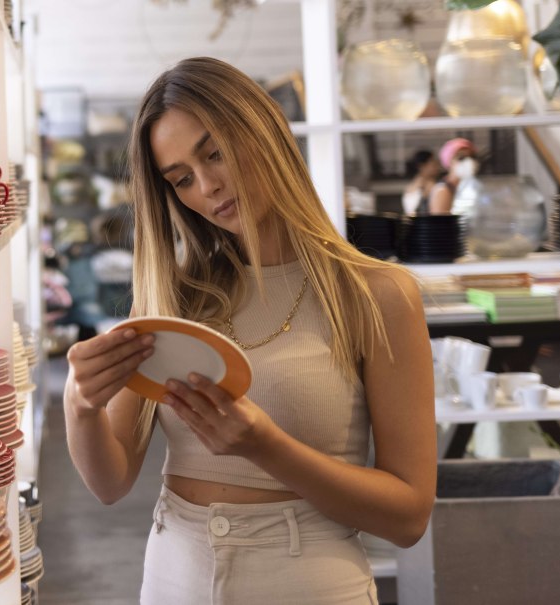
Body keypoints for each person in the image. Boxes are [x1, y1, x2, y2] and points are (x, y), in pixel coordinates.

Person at [61, 57, 436, 604]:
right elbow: (111, 481)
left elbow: (408, 516)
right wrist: (80, 404)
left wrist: (267, 448)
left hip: (308, 580)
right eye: (182, 178)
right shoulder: (174, 301)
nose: (208, 186)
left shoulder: (374, 293)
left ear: (263, 130)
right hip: (173, 575)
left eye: (215, 153)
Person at [428, 137, 477, 215]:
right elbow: (440, 223)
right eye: (461, 158)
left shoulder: (470, 187)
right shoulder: (443, 190)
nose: (468, 161)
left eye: (471, 157)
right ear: (449, 161)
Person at [401, 148, 442, 215]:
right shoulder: (428, 185)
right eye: (434, 163)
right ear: (421, 166)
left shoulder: (411, 185)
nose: (437, 167)